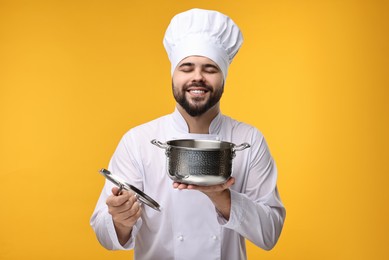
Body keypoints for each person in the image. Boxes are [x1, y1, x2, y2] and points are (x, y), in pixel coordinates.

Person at [90, 8, 286, 259]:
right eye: (187, 67)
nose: (198, 77)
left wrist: (222, 196)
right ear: (173, 74)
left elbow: (270, 233)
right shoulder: (137, 141)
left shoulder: (249, 140)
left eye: (209, 69)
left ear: (223, 77)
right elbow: (104, 235)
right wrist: (120, 220)